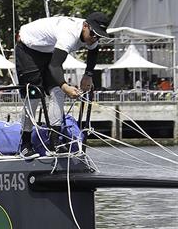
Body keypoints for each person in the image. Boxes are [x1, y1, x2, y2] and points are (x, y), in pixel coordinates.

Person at [15, 11, 109, 156]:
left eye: (99, 36)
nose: (95, 38)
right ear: (85, 26)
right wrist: (66, 86)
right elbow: (54, 66)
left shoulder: (91, 35)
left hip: (49, 50)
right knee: (34, 95)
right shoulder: (69, 34)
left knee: (57, 92)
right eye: (93, 34)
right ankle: (25, 143)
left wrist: (88, 75)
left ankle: (55, 142)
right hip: (28, 49)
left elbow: (93, 52)